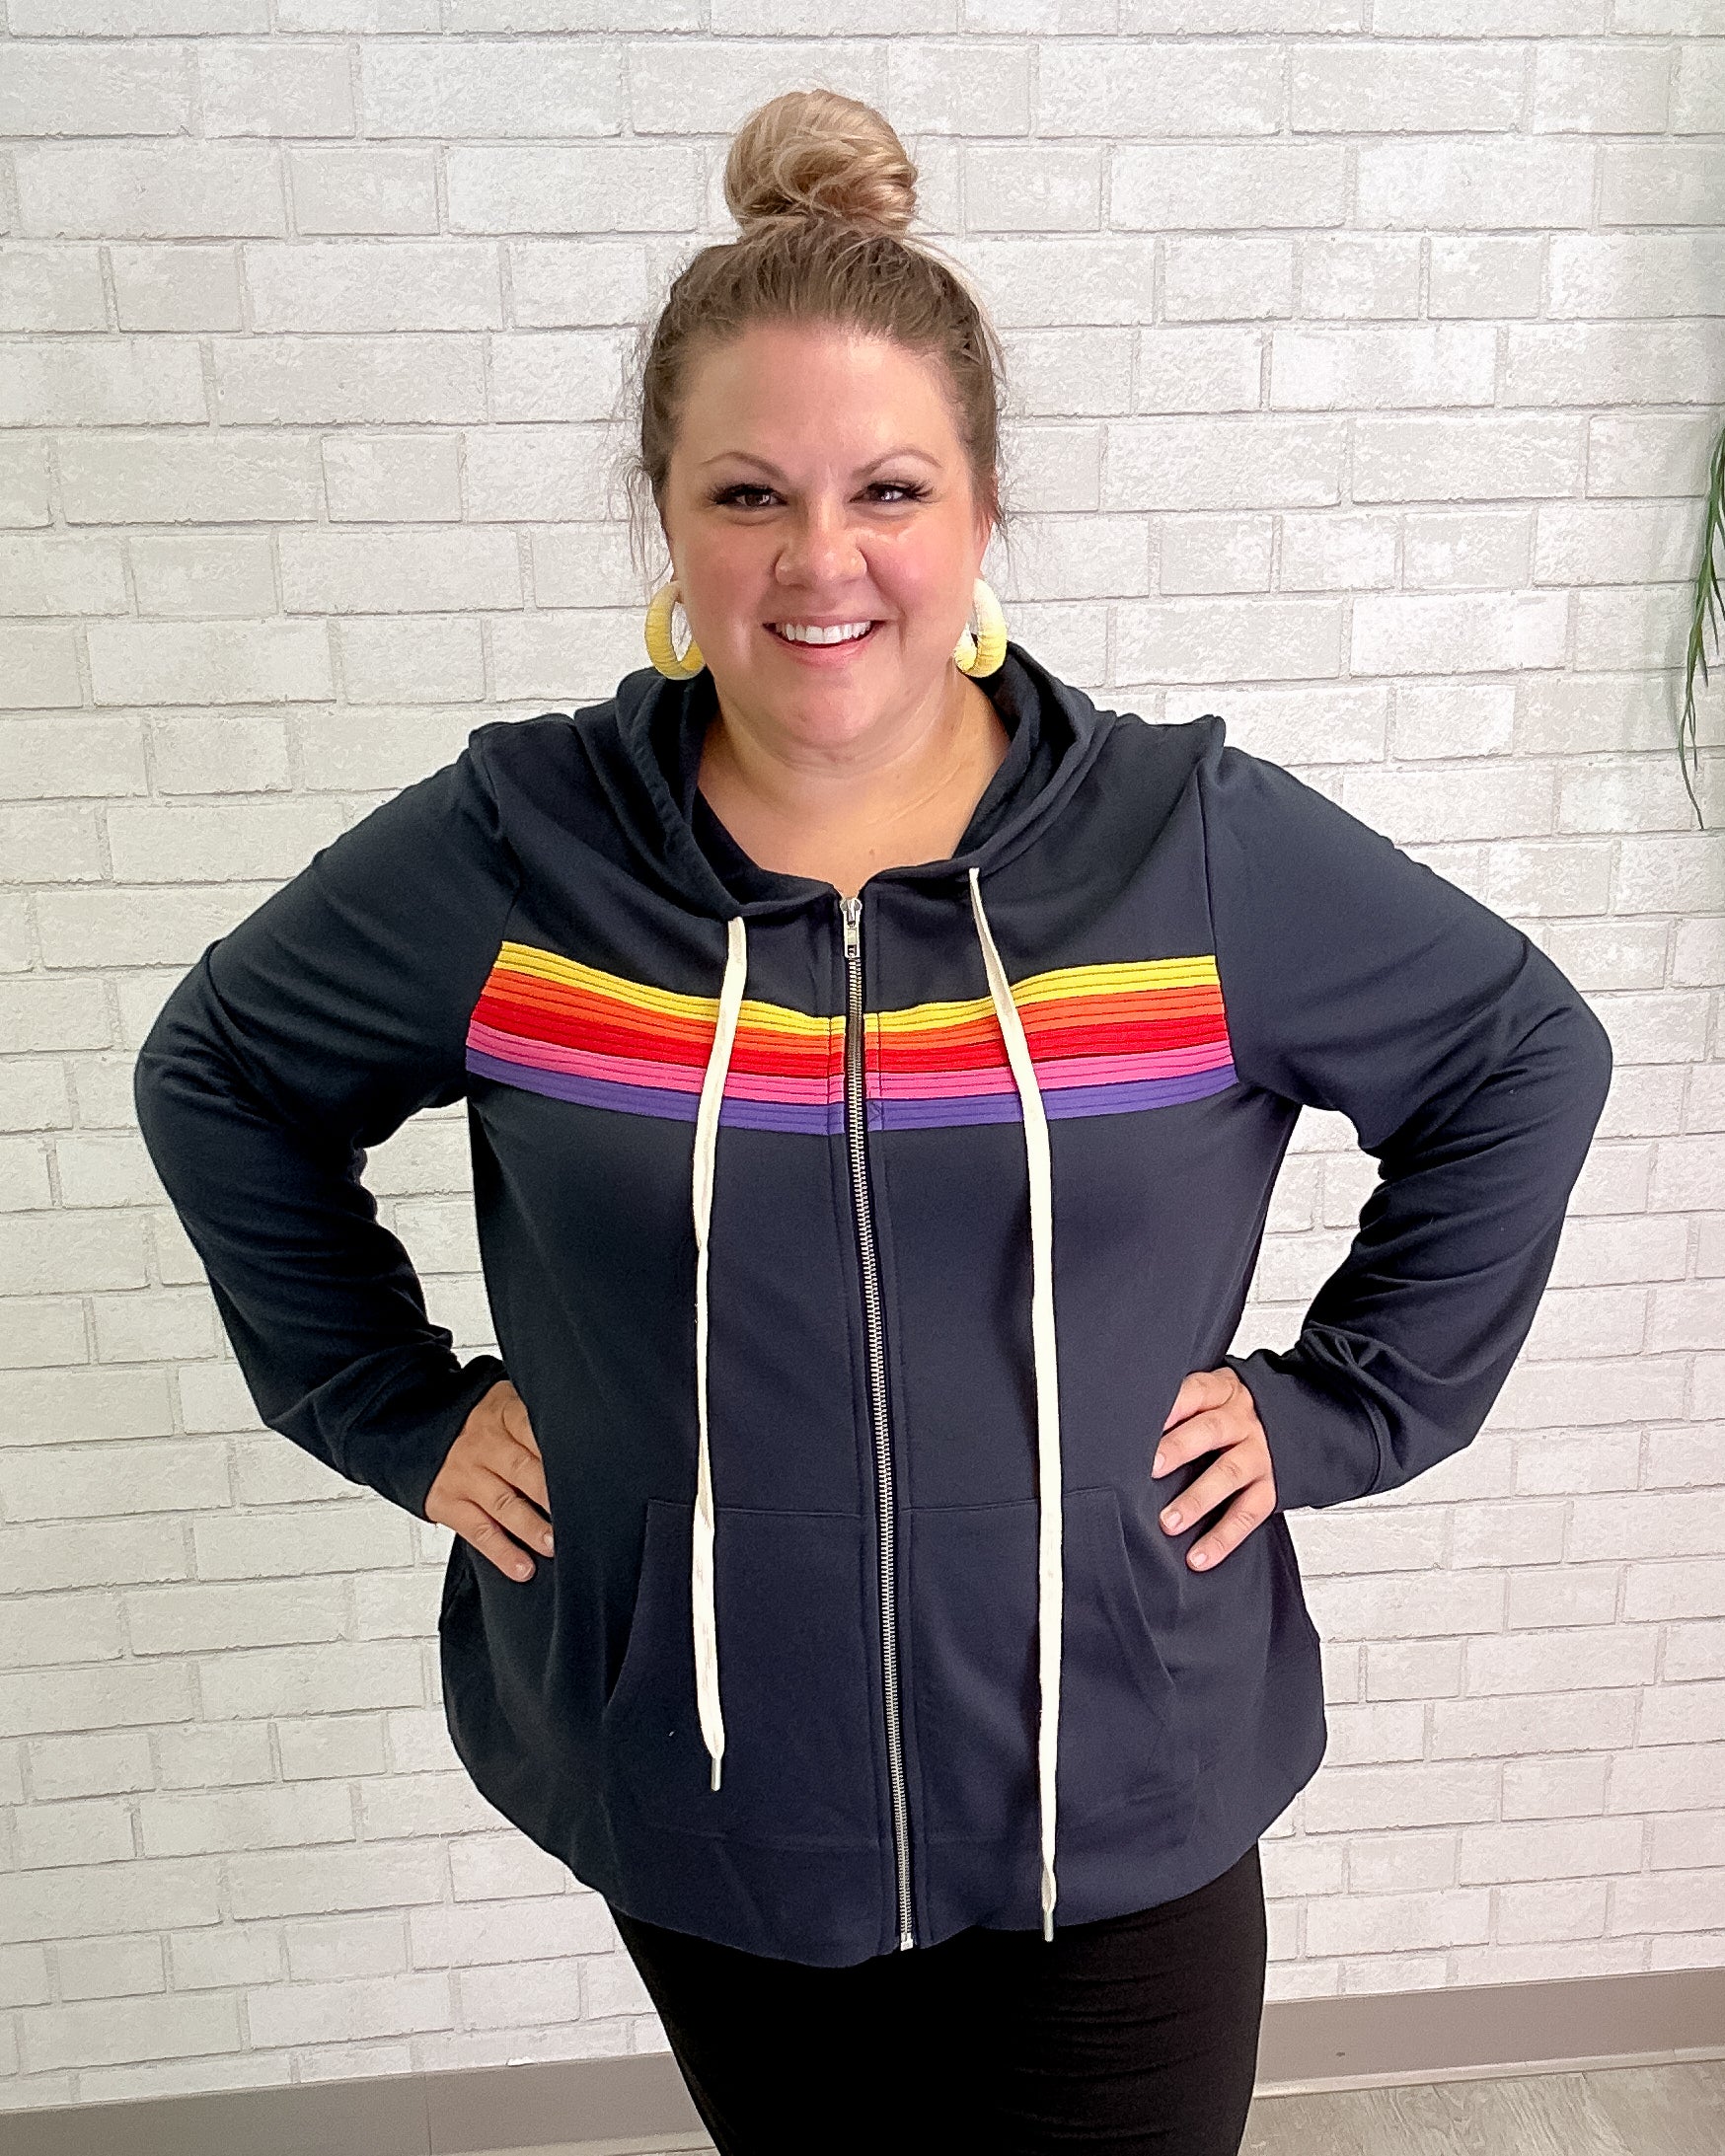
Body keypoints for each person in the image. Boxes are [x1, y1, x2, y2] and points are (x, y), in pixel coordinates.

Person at [131, 87, 1613, 2156]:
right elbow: (217, 1074)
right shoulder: (524, 852)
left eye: (887, 490)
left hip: (1121, 1779)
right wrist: (388, 1405)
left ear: (981, 510)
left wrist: (1344, 1403)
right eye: (747, 493)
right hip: (713, 1793)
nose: (819, 561)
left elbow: (1519, 1054)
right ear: (664, 517)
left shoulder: (1181, 848)